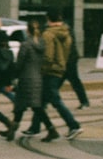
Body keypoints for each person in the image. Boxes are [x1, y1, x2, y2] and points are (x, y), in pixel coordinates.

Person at [21, 8, 82, 142]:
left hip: (49, 71)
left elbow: (48, 56)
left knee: (54, 100)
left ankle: (73, 125)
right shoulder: (66, 31)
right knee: (40, 100)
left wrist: (41, 68)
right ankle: (35, 127)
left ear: (49, 20)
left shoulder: (48, 34)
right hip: (60, 68)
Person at [3, 18, 54, 141]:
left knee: (31, 107)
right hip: (37, 77)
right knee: (25, 105)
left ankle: (51, 129)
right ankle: (11, 131)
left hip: (26, 78)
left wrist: (12, 76)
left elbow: (20, 63)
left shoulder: (26, 45)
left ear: (28, 31)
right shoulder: (41, 43)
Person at [62, 23, 89, 109]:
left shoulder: (63, 30)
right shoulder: (66, 28)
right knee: (74, 81)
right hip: (69, 60)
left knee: (73, 81)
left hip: (68, 61)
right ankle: (84, 101)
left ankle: (84, 101)